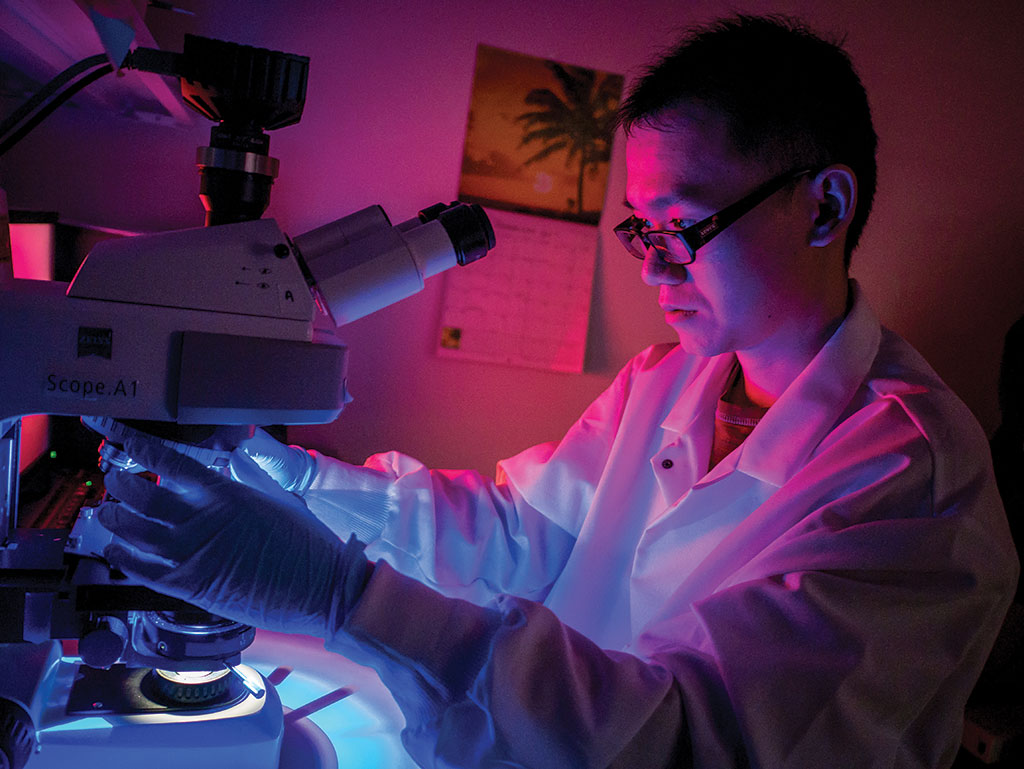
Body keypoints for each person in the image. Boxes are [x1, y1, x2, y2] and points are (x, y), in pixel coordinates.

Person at [96, 15, 1018, 769]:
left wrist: (343, 595)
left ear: (825, 206)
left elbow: (687, 740)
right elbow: (515, 535)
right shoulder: (666, 380)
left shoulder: (913, 481)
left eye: (683, 226)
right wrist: (294, 478)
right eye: (641, 229)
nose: (653, 269)